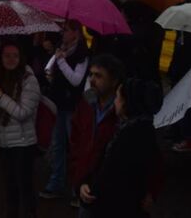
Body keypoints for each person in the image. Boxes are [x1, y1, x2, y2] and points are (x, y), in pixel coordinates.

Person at [77, 78, 162, 217]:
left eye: (118, 97)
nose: (115, 101)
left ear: (127, 103)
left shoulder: (129, 136)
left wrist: (88, 192)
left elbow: (110, 176)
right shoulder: (138, 128)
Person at [0, 41, 41, 218]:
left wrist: (1, 96)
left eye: (15, 55)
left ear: (21, 57)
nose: (10, 59)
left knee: (24, 187)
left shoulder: (29, 80)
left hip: (23, 144)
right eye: (6, 55)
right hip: (3, 143)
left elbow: (23, 113)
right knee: (9, 188)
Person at [40, 19, 89, 202]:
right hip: (59, 104)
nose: (62, 33)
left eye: (66, 30)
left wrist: (60, 61)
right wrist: (53, 77)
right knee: (58, 145)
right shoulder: (63, 48)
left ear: (76, 32)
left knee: (75, 146)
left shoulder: (82, 53)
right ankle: (56, 182)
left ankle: (78, 187)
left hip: (73, 107)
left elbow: (76, 80)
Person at [68, 54, 125, 210]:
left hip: (112, 193)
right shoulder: (86, 104)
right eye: (91, 74)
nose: (92, 79)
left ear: (114, 81)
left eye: (98, 76)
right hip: (85, 187)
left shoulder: (123, 112)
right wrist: (78, 180)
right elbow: (75, 143)